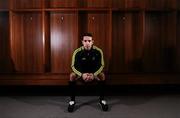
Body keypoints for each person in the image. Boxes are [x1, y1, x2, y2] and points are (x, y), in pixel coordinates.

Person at [68, 33, 108, 112]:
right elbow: (73, 66)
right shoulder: (77, 52)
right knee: (72, 75)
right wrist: (81, 74)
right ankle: (72, 101)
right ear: (82, 42)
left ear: (92, 42)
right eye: (85, 41)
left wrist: (94, 74)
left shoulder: (98, 51)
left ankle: (102, 100)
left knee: (102, 75)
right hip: (81, 74)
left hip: (93, 74)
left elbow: (102, 65)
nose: (87, 43)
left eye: (89, 41)